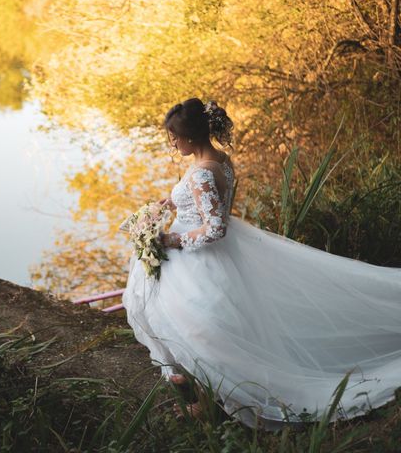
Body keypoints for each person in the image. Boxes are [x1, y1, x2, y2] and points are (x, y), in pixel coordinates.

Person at [121, 97, 401, 431]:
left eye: (174, 137)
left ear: (191, 138)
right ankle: (202, 393)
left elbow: (215, 229)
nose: (172, 143)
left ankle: (211, 401)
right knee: (203, 327)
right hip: (217, 259)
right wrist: (168, 203)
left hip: (200, 260)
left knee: (201, 330)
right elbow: (209, 203)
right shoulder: (219, 161)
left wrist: (169, 240)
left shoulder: (200, 175)